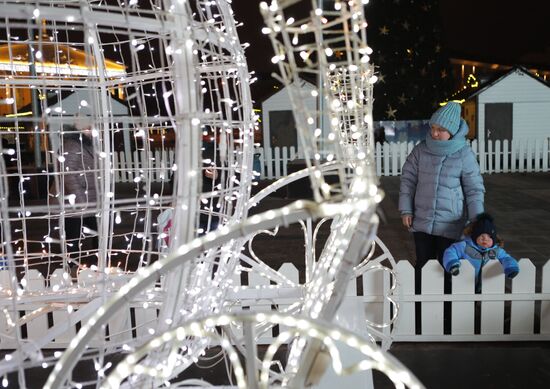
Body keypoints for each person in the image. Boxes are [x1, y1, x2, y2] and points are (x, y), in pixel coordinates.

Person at [399, 101, 484, 333]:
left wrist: (477, 221)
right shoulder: (420, 150)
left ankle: (447, 316)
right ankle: (421, 313)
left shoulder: (464, 155)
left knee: (447, 269)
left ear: (453, 131)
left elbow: (474, 190)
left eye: (440, 129)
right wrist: (406, 209)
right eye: (433, 128)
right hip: (422, 222)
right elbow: (408, 180)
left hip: (451, 225)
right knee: (424, 267)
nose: (435, 133)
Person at [443, 213, 519, 293]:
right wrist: (452, 264)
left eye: (489, 236)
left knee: (483, 303)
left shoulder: (497, 251)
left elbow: (506, 258)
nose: (485, 239)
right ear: (475, 236)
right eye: (481, 236)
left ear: (494, 238)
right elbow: (451, 251)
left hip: (486, 286)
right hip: (464, 284)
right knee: (463, 303)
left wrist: (511, 268)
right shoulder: (464, 246)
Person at [60, 124, 98, 273]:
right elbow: (67, 175)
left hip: (90, 199)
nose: (91, 131)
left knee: (97, 232)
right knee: (74, 236)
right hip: (76, 202)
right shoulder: (72, 146)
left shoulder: (85, 145)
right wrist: (81, 199)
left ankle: (94, 262)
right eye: (87, 128)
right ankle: (71, 267)